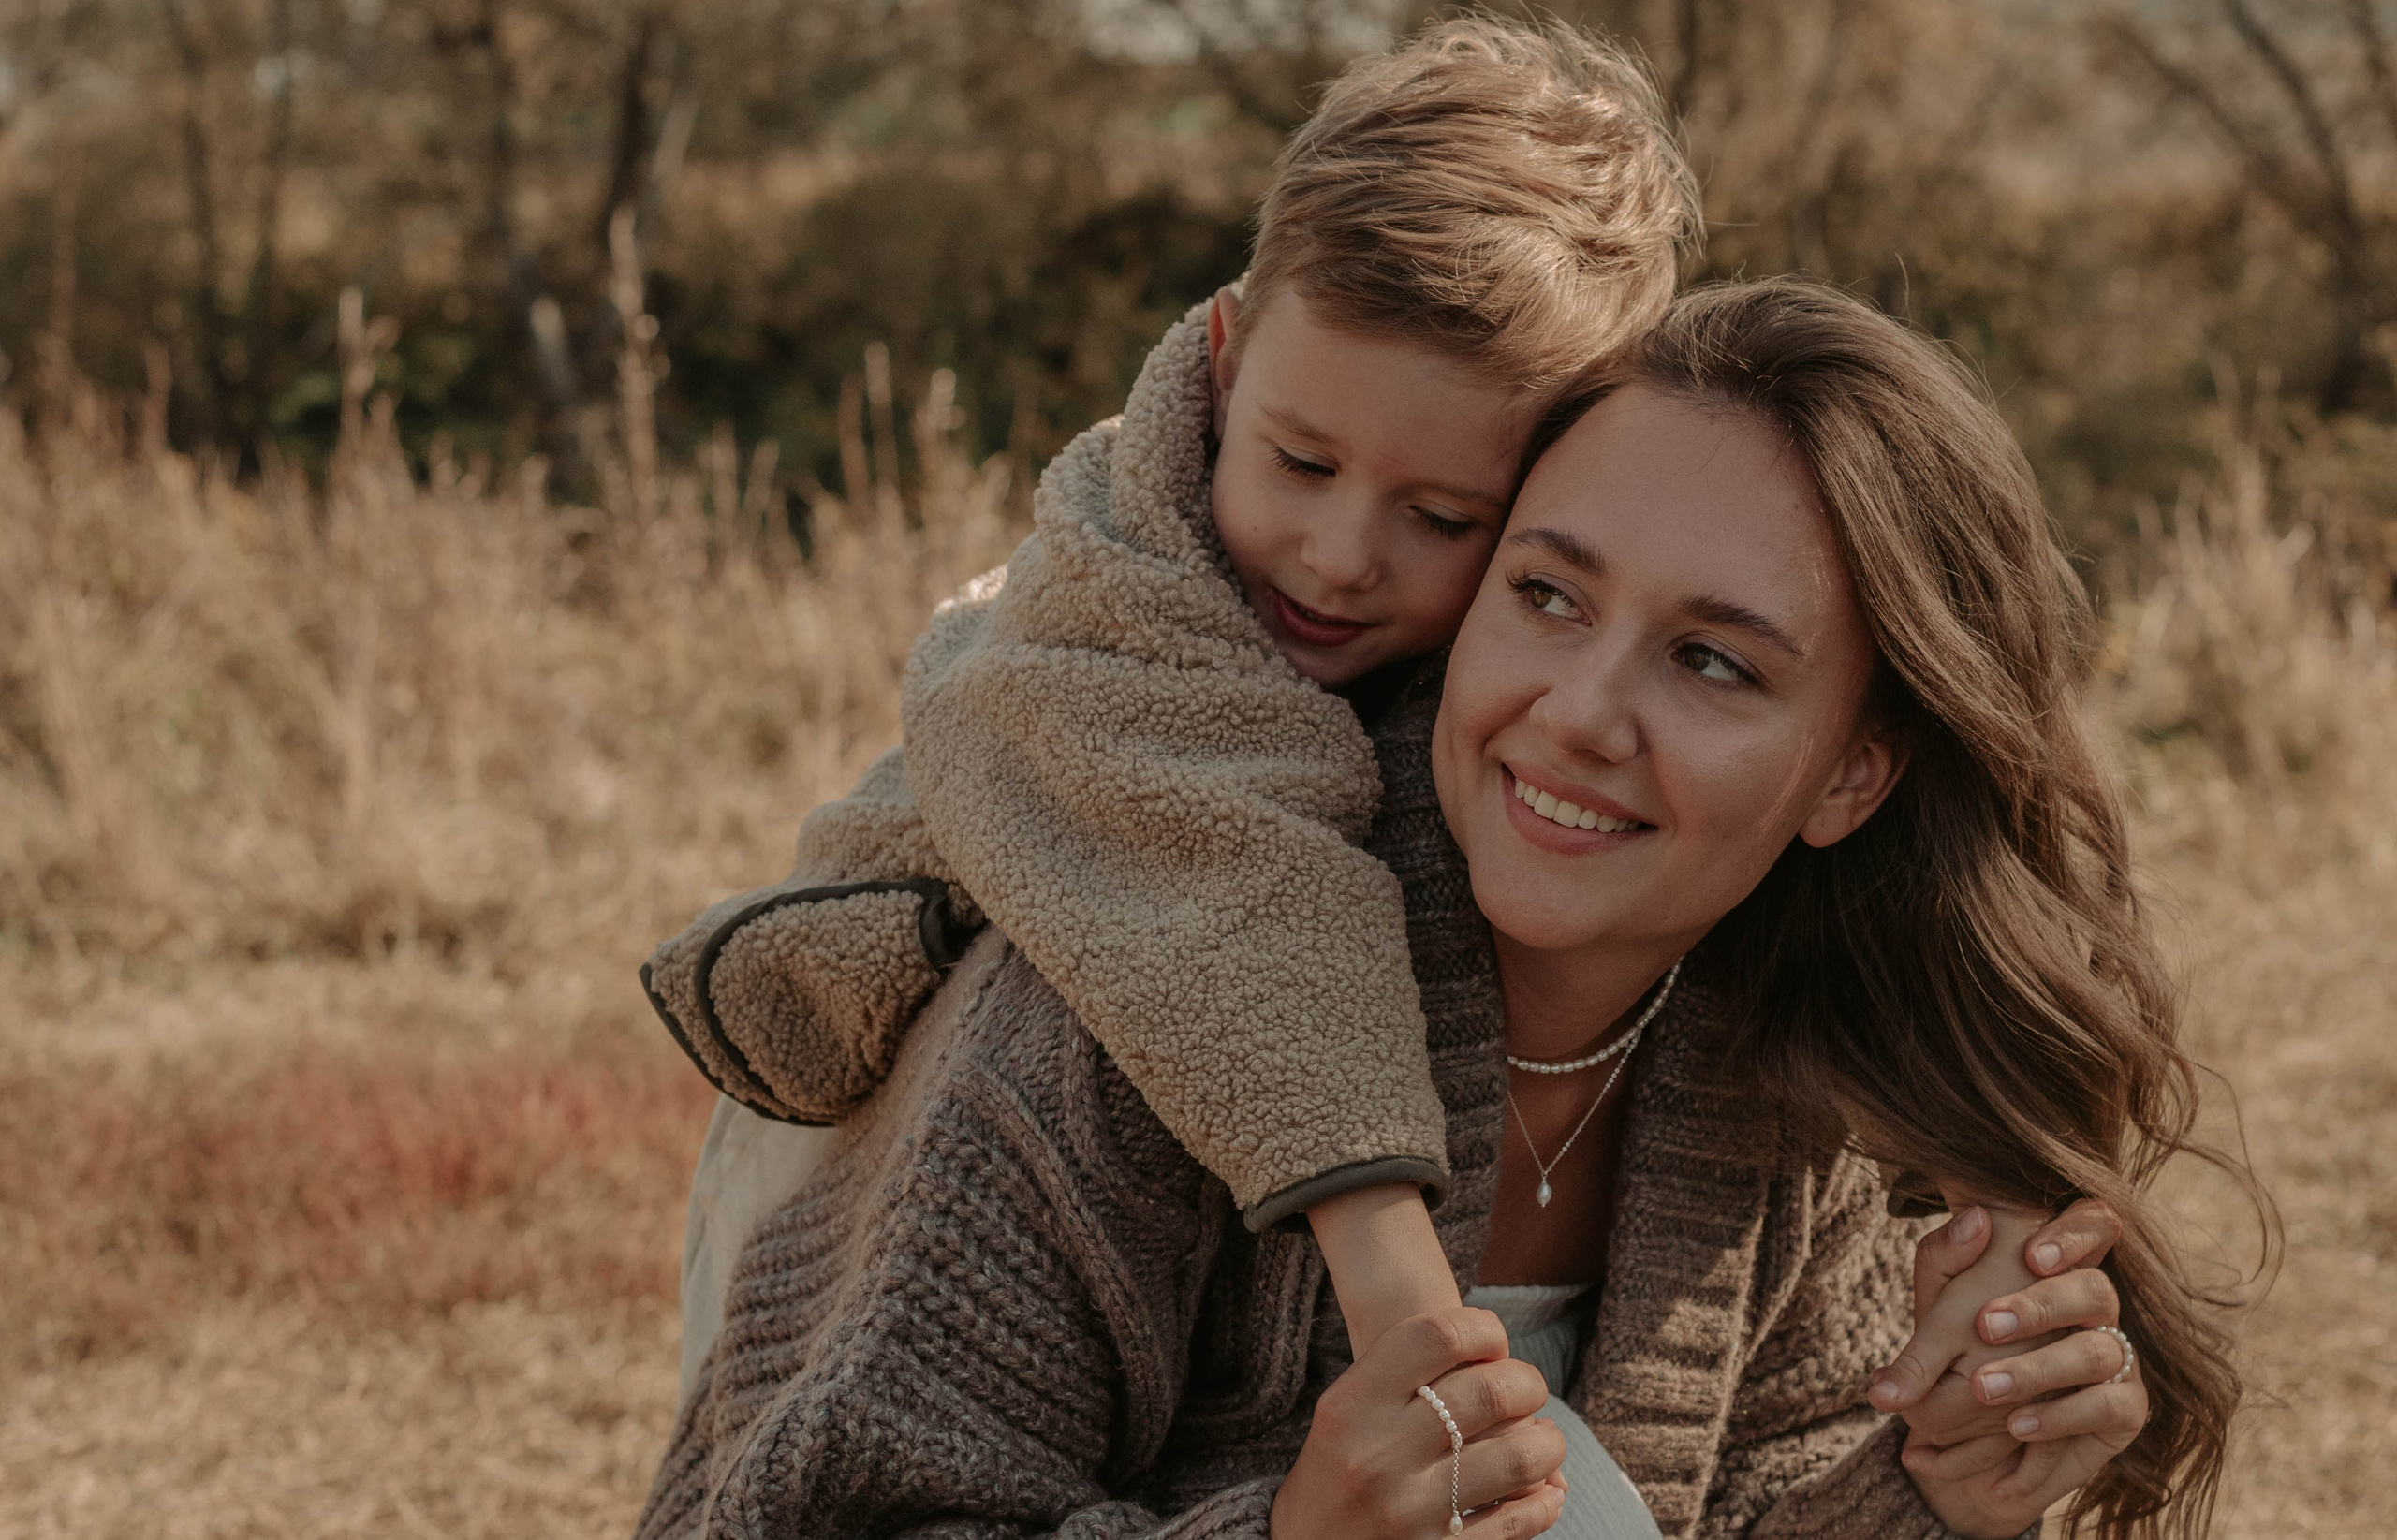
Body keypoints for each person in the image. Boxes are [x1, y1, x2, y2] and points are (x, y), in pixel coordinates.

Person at [637, 280, 2247, 1540]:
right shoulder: (1141, 991)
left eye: (1712, 660)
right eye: (1546, 595)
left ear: (1851, 778)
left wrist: (1935, 1493)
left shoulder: (1779, 1070)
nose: (1576, 714)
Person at [642, 15, 1704, 1366]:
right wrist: (1392, 1274)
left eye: (1444, 518)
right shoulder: (1114, 579)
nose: (1339, 555)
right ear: (1223, 357)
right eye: (1302, 464)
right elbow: (1220, 851)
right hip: (857, 1177)